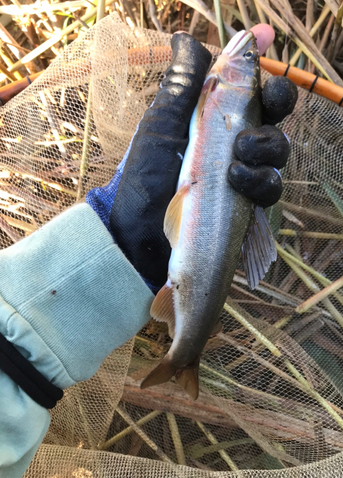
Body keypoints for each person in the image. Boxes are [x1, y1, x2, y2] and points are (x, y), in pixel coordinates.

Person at [0, 24, 297, 478]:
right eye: (251, 64)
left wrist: (119, 236)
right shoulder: (225, 85)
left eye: (249, 64)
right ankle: (183, 354)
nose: (245, 55)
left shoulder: (223, 87)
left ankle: (183, 353)